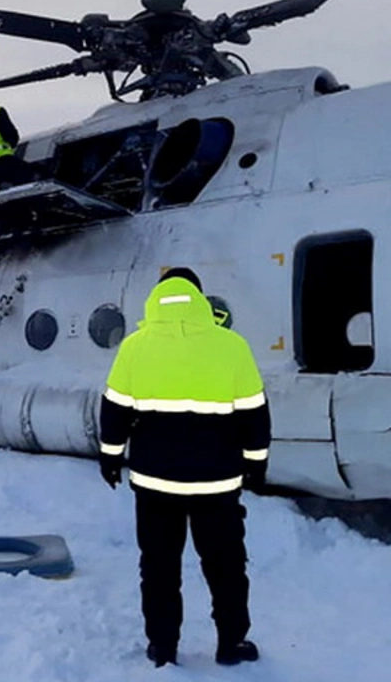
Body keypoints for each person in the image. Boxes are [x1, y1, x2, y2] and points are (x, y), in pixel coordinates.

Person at [98, 267, 270, 668]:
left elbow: (114, 409)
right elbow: (255, 412)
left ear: (158, 298)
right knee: (226, 565)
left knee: (158, 567)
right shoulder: (232, 345)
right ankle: (231, 644)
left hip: (155, 483)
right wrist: (256, 463)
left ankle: (163, 646)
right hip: (217, 483)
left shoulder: (135, 346)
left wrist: (110, 456)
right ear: (199, 298)